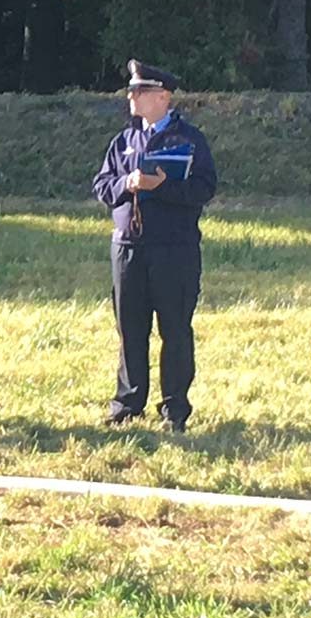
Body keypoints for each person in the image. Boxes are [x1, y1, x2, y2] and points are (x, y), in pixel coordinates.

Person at [91, 60, 217, 432]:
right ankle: (128, 403)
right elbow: (102, 186)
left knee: (175, 329)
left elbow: (204, 189)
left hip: (173, 249)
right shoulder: (124, 140)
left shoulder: (189, 140)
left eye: (141, 91)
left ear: (163, 97)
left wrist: (161, 186)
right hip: (128, 247)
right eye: (132, 90)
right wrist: (126, 185)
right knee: (130, 327)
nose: (132, 97)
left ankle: (175, 408)